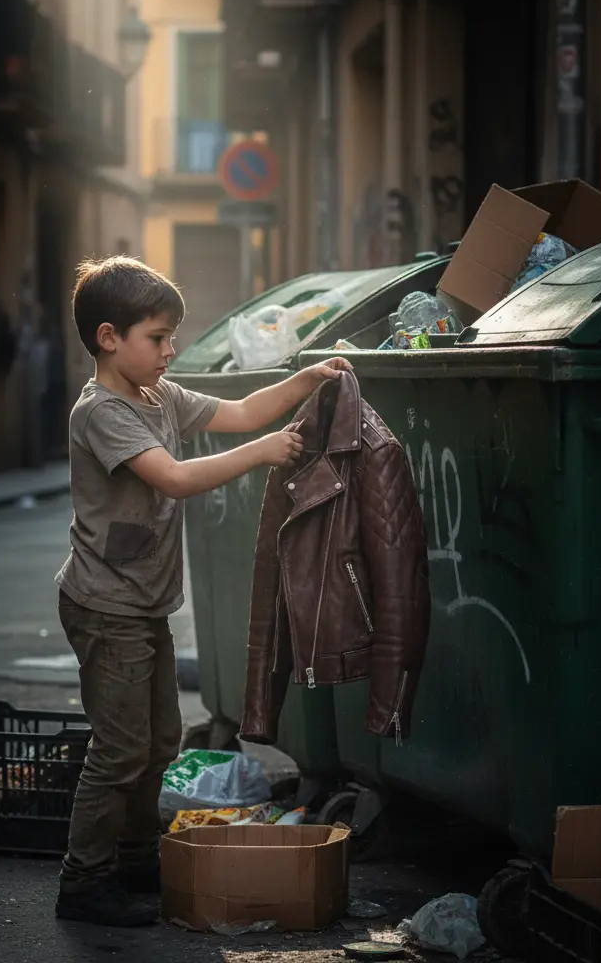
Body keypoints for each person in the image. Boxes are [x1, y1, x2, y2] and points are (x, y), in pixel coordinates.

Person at [53, 255, 351, 927]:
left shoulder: (161, 396)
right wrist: (266, 451)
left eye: (170, 338)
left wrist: (304, 378)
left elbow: (242, 411)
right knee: (120, 747)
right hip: (105, 607)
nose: (170, 350)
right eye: (157, 338)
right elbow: (176, 479)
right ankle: (84, 878)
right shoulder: (103, 413)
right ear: (109, 338)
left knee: (159, 743)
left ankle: (132, 859)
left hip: (142, 605)